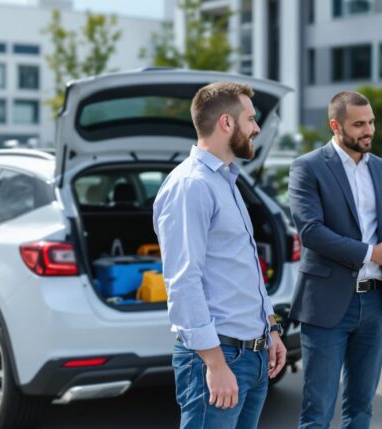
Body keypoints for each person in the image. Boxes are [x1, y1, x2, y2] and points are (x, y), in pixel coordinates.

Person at [153, 82, 287, 429]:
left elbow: (244, 268)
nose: (257, 128)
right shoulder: (191, 185)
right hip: (219, 357)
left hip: (252, 354)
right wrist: (214, 364)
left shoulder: (226, 180)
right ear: (226, 123)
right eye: (251, 119)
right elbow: (184, 282)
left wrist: (270, 329)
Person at [289, 91, 382, 429]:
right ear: (336, 126)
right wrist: (370, 253)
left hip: (376, 303)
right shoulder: (308, 167)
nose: (369, 131)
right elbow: (311, 231)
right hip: (327, 304)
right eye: (359, 124)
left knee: (362, 407)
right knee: (317, 410)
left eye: (371, 122)